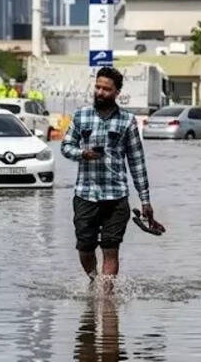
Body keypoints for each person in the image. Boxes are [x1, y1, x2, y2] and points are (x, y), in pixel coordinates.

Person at [61, 66, 153, 291]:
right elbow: (66, 146)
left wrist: (145, 200)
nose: (100, 92)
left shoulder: (127, 121)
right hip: (85, 194)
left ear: (116, 93)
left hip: (116, 197)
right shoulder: (81, 116)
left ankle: (107, 299)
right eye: (98, 87)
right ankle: (94, 282)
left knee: (110, 249)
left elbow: (136, 161)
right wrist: (83, 154)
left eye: (106, 89)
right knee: (85, 247)